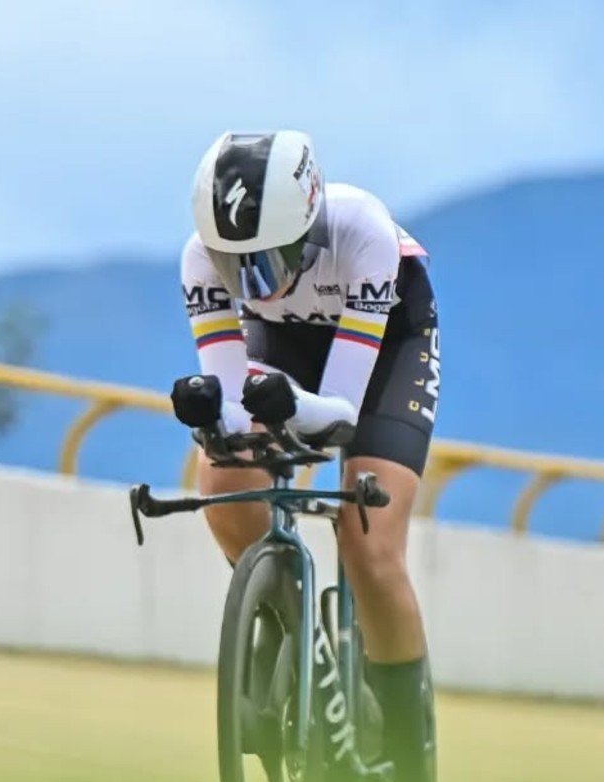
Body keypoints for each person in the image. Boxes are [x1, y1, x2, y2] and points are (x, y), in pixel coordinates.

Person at [179, 129, 440, 782]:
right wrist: (224, 426)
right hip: (284, 349)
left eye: (265, 261)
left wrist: (280, 412)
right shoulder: (197, 259)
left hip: (384, 348)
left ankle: (410, 758)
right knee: (222, 476)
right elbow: (235, 406)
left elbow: (340, 417)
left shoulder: (362, 232)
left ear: (307, 219)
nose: (250, 283)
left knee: (368, 541)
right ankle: (286, 620)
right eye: (233, 265)